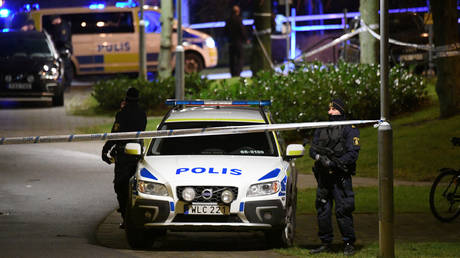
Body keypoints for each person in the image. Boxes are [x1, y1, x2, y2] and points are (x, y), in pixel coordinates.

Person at [309, 98, 360, 256]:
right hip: (324, 178)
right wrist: (319, 158)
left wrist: (334, 164)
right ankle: (325, 242)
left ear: (340, 110)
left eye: (333, 109)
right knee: (322, 209)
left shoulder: (349, 129)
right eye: (329, 109)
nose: (329, 112)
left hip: (340, 177)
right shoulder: (322, 127)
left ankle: (348, 243)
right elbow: (312, 149)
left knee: (343, 209)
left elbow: (353, 153)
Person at [101, 87, 147, 228]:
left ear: (126, 99)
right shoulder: (142, 114)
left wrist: (105, 150)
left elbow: (115, 135)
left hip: (123, 156)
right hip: (137, 154)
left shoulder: (122, 114)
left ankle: (126, 216)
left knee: (120, 186)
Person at [48, 15, 73, 88]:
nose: (52, 23)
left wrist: (53, 41)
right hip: (61, 49)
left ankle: (67, 84)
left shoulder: (63, 27)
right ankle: (65, 83)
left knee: (66, 67)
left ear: (56, 19)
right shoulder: (59, 26)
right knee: (63, 67)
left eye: (53, 21)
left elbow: (63, 39)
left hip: (64, 49)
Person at [225, 5, 248, 77]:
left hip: (231, 42)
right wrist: (245, 39)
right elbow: (242, 30)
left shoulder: (228, 20)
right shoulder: (239, 20)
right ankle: (238, 72)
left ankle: (232, 72)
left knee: (232, 58)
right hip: (238, 41)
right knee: (240, 57)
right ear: (238, 11)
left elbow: (225, 31)